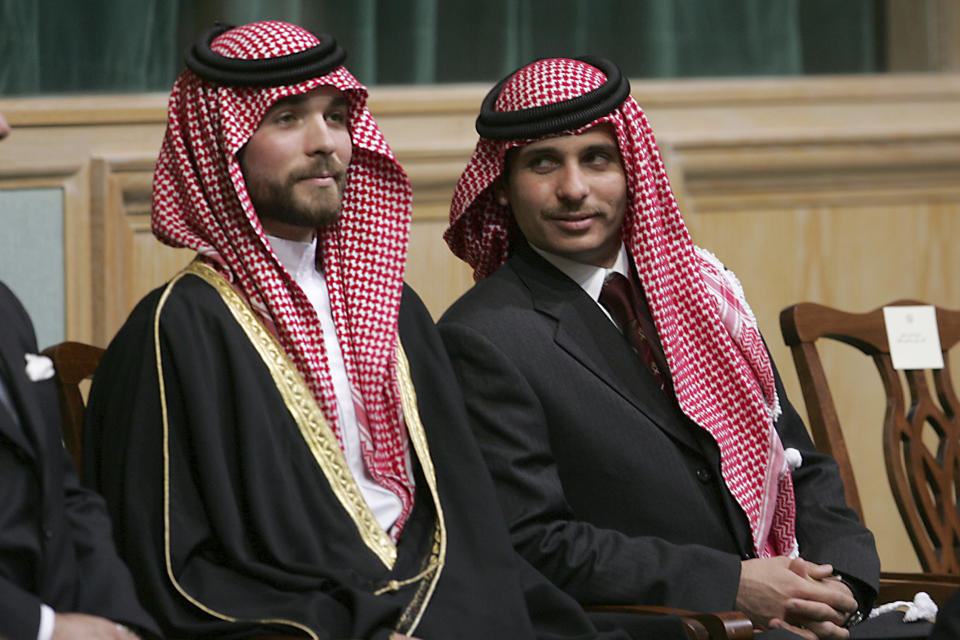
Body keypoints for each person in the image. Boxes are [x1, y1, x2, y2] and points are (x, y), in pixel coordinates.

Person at [83, 22, 686, 640]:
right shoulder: (175, 330)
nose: (326, 144)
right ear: (220, 147)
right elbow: (169, 573)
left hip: (445, 611)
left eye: (338, 116)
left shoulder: (393, 311)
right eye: (288, 118)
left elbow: (467, 528)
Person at [438, 56, 883, 640]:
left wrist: (839, 582)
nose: (573, 189)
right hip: (667, 626)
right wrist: (730, 584)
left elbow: (798, 461)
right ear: (502, 187)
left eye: (596, 159)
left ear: (633, 170)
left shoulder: (702, 291)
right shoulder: (484, 336)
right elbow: (533, 541)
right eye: (543, 164)